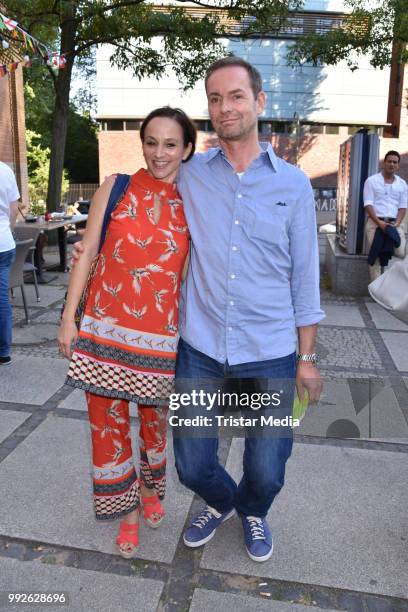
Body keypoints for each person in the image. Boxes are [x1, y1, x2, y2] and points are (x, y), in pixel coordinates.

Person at [72, 57, 325, 563]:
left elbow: (305, 277)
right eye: (214, 98)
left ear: (259, 102)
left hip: (270, 350)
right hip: (202, 349)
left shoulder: (294, 185)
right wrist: (93, 249)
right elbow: (142, 211)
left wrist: (307, 356)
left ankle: (254, 509)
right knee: (191, 465)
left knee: (269, 469)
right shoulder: (191, 175)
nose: (225, 107)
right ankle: (222, 502)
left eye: (235, 96)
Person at [58, 107, 195, 558]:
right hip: (102, 333)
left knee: (154, 427)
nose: (160, 153)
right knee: (107, 426)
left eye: (170, 144)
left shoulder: (195, 201)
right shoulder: (116, 186)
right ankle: (129, 511)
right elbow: (88, 250)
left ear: (187, 149)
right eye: (152, 142)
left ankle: (152, 488)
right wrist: (67, 319)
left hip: (161, 340)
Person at [364, 150, 407, 281]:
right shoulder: (371, 181)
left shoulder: (402, 184)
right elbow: (368, 205)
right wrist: (379, 223)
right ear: (384, 163)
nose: (392, 164)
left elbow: (402, 207)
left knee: (400, 252)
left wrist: (396, 224)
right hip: (375, 224)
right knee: (376, 255)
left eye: (395, 162)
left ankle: (389, 283)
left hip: (395, 224)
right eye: (389, 161)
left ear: (398, 165)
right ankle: (376, 290)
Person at [0, 161, 20, 366]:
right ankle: (3, 351)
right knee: (2, 298)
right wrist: (9, 230)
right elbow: (14, 209)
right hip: (5, 243)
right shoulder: (6, 171)